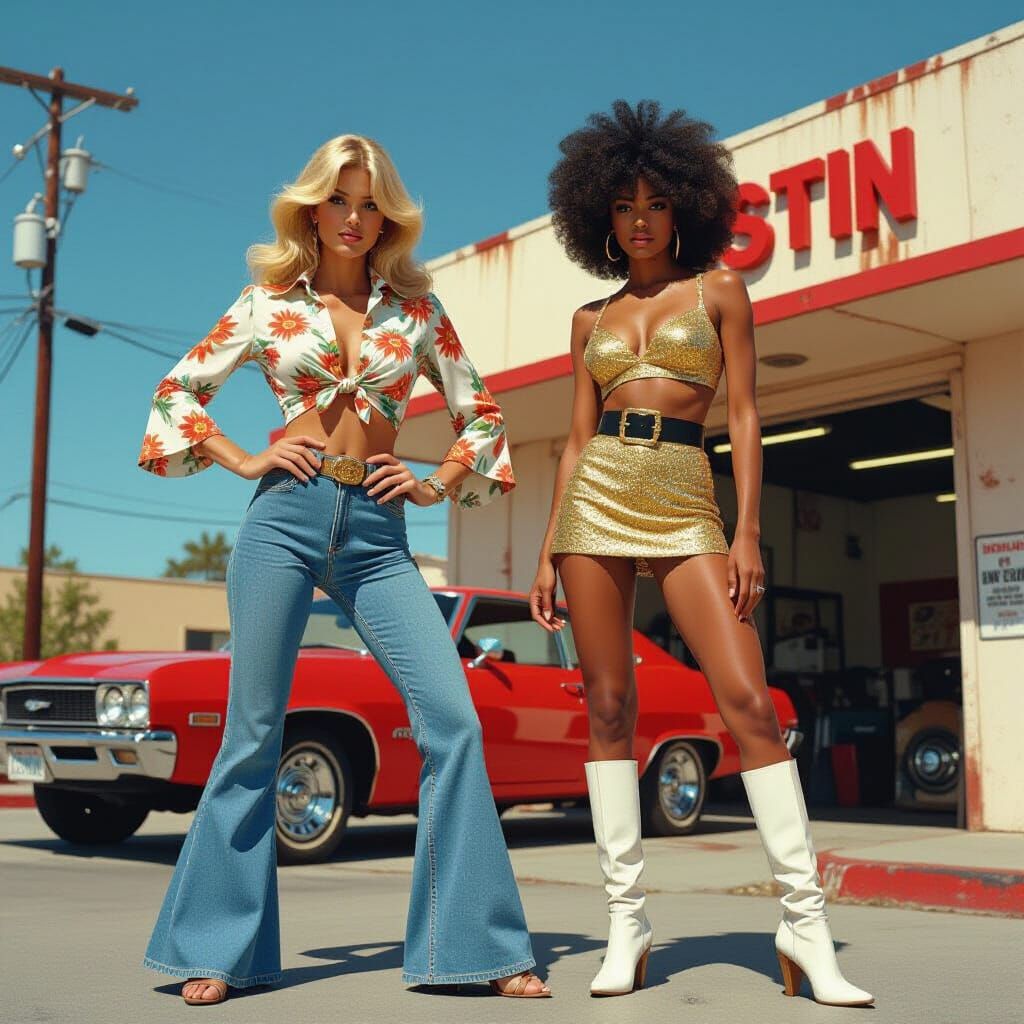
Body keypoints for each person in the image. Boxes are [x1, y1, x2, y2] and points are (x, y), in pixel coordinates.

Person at [139, 134, 549, 1004]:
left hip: (378, 532)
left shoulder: (419, 311)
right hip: (282, 521)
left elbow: (481, 410)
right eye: (339, 203)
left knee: (453, 720)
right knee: (254, 732)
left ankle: (472, 945)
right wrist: (245, 458)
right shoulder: (265, 302)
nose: (355, 219)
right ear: (312, 211)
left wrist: (436, 480)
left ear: (386, 217)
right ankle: (218, 949)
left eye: (370, 205)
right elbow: (178, 394)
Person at [530, 101, 872, 1006]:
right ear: (599, 215)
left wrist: (747, 529)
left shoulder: (720, 291)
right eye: (622, 206)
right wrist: (545, 547)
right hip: (596, 494)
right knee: (608, 704)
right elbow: (572, 440)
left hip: (686, 497)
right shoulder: (587, 317)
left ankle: (805, 927)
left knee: (747, 701)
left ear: (683, 205)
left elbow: (748, 415)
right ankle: (626, 925)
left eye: (654, 202)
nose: (640, 219)